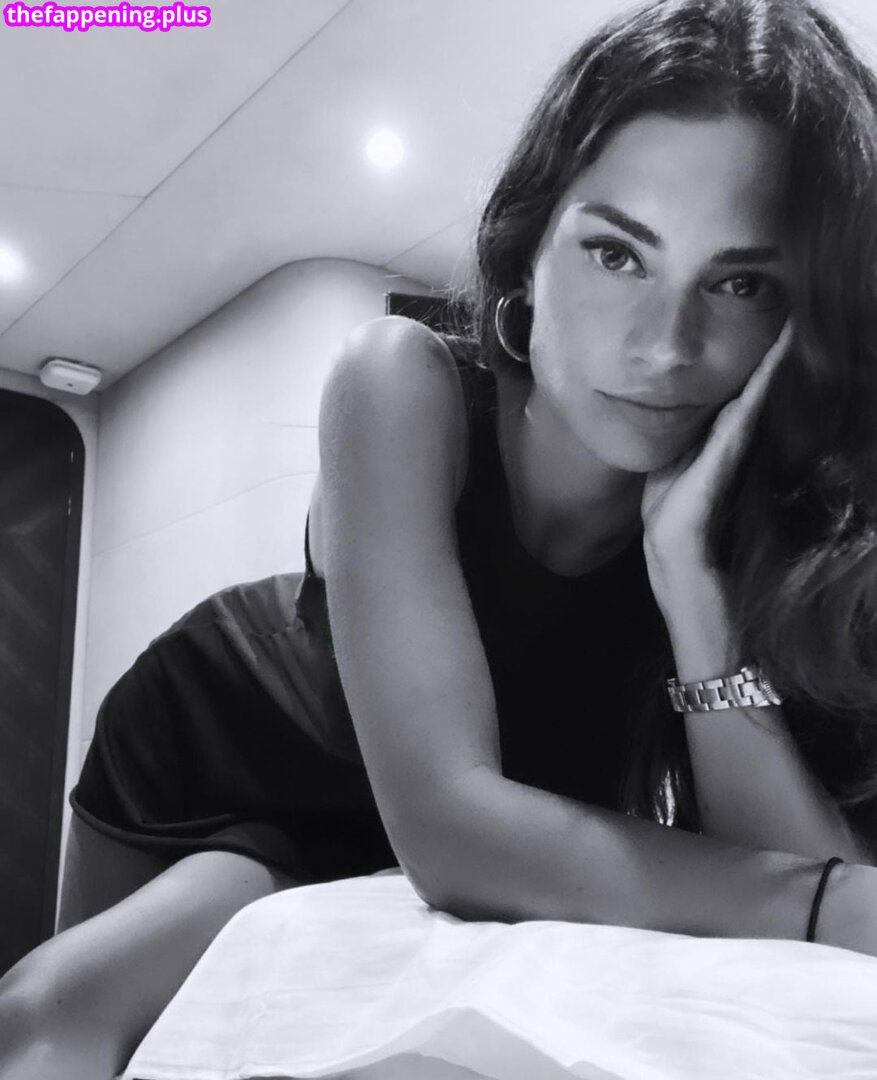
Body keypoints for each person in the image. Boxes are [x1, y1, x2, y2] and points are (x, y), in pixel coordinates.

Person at [5, 0, 877, 1076]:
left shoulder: (751, 532)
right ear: (528, 252)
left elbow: (811, 950)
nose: (664, 345)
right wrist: (830, 901)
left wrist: (687, 573)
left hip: (476, 838)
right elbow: (458, 829)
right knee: (49, 1017)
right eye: (614, 254)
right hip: (236, 753)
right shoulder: (399, 381)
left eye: (740, 284)